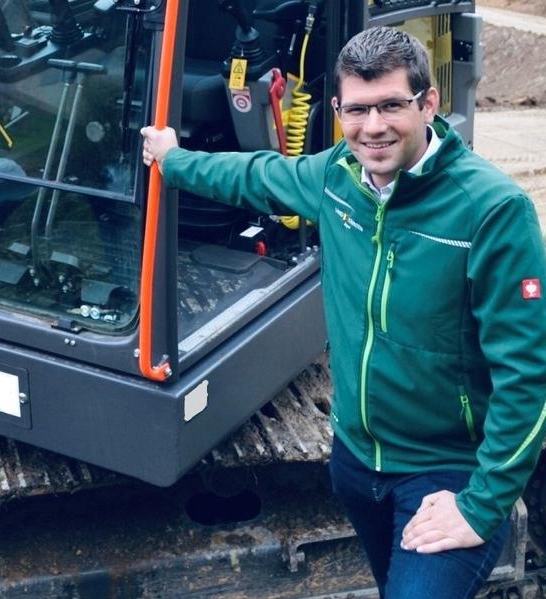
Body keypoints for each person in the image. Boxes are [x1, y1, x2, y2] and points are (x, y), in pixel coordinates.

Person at [141, 26, 546, 598]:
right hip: (355, 462)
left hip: (444, 470)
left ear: (428, 103)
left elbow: (528, 379)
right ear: (337, 110)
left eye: (391, 106)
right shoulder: (338, 177)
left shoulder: (492, 210)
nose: (373, 126)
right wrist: (174, 160)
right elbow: (256, 175)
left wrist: (481, 507)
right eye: (358, 110)